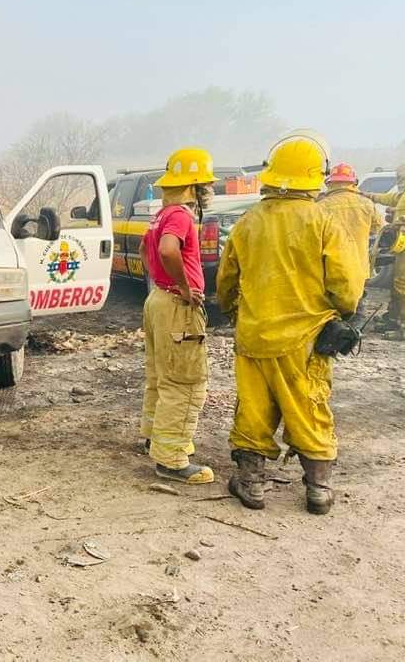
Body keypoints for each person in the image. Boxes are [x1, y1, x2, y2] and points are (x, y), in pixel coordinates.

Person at [217, 131, 363, 515]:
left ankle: (251, 484)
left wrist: (235, 312)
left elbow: (226, 282)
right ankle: (318, 489)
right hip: (305, 339)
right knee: (308, 407)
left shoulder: (248, 222)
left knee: (253, 409)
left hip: (254, 335)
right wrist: (339, 314)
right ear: (315, 176)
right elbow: (347, 288)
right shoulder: (323, 222)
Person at [138, 147, 217, 485]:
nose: (208, 191)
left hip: (158, 300)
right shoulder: (181, 216)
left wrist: (162, 281)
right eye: (205, 185)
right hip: (175, 307)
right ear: (192, 187)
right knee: (185, 384)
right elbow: (168, 249)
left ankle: (154, 439)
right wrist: (183, 287)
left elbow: (146, 250)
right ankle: (170, 460)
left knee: (160, 376)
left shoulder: (161, 214)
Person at [316, 162, 383, 322]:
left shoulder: (320, 206)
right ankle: (353, 332)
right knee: (357, 304)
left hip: (329, 266)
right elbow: (377, 229)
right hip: (358, 264)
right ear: (354, 183)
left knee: (327, 307)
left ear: (330, 183)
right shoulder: (367, 204)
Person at [364, 164, 405, 337]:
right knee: (397, 283)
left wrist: (398, 220)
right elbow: (388, 198)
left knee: (402, 284)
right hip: (401, 247)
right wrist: (367, 196)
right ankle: (393, 318)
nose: (400, 181)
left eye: (401, 177)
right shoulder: (401, 195)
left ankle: (402, 327)